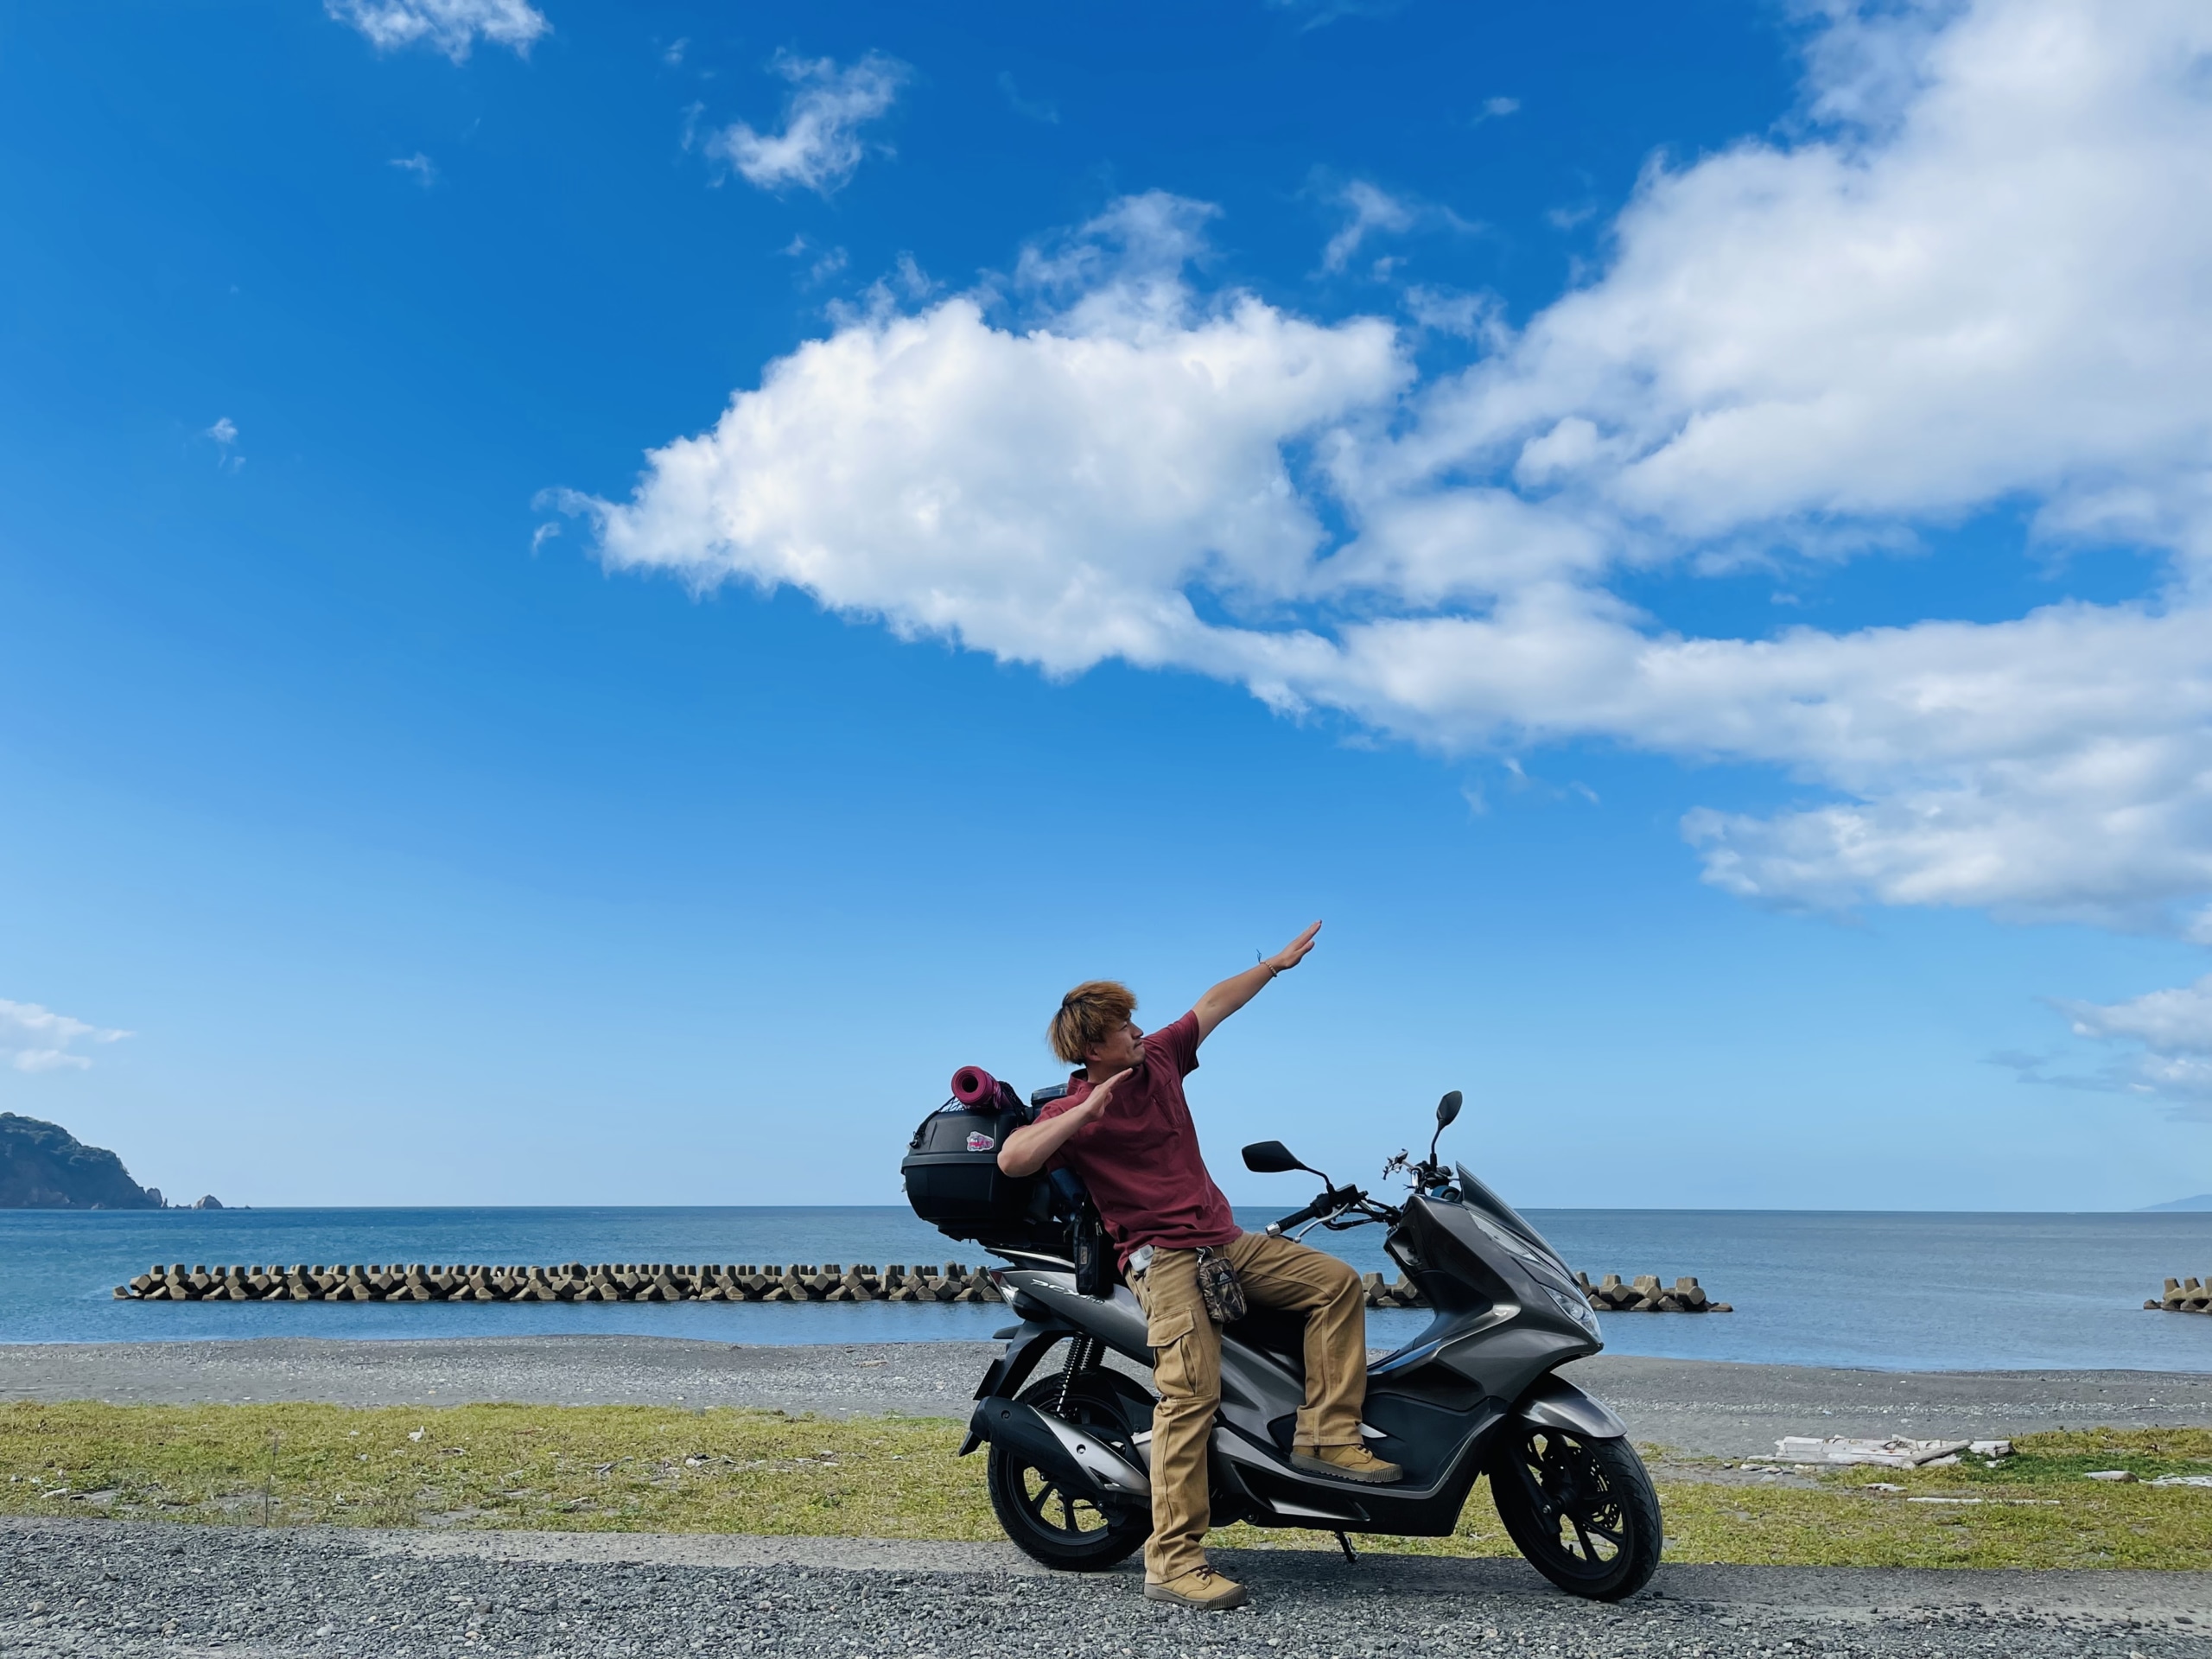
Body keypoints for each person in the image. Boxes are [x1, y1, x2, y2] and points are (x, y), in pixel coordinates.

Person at [995, 921, 1400, 1611]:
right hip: (1164, 1262)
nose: (1138, 1032)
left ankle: (1327, 1437)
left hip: (1225, 1242)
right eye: (1124, 1028)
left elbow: (1213, 1005)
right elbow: (1013, 1159)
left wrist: (1271, 966)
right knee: (1190, 1398)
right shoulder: (1072, 1110)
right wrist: (1086, 1108)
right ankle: (1173, 1562)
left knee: (1333, 1284)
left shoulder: (1158, 1058)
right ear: (1094, 1047)